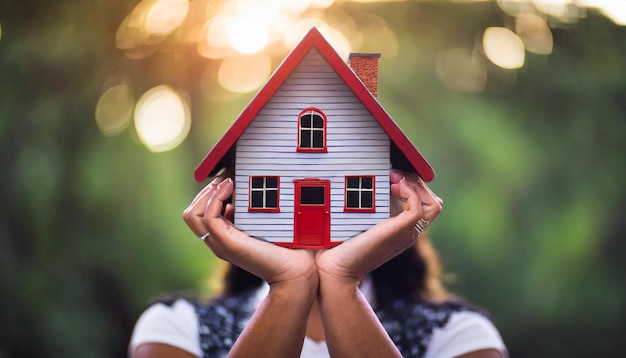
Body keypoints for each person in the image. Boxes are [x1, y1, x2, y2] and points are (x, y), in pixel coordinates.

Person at [129, 169, 507, 358]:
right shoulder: (176, 327)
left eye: (350, 181)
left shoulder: (460, 335)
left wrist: (341, 280)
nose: (312, 215)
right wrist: (290, 283)